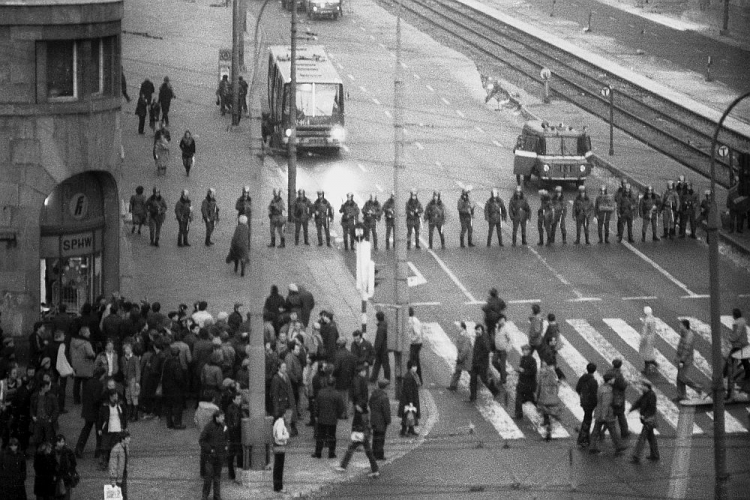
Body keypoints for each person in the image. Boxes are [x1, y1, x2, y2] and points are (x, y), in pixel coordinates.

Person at [589, 372, 628, 455]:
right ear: (609, 380)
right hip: (606, 414)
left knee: (596, 430)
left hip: (599, 412)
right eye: (613, 379)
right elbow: (605, 404)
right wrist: (604, 416)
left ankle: (592, 447)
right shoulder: (608, 391)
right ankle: (618, 446)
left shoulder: (601, 387)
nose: (614, 380)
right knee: (612, 430)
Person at [336, 410, 380, 478]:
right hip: (363, 434)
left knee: (351, 449)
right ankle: (375, 470)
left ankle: (343, 466)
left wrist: (355, 432)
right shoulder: (364, 412)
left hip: (360, 434)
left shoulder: (360, 413)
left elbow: (359, 424)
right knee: (368, 452)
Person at [312, 374, 344, 459]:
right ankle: (331, 453)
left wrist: (316, 415)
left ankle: (318, 453)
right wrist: (338, 415)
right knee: (332, 436)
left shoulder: (321, 393)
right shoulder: (337, 394)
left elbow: (316, 405)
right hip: (332, 419)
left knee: (320, 436)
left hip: (321, 418)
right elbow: (341, 407)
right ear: (334, 384)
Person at [199, 410, 227, 500]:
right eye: (222, 417)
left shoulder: (224, 426)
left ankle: (217, 496)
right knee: (208, 477)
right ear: (217, 417)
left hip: (220, 455)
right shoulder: (208, 427)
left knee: (217, 477)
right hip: (210, 456)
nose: (223, 418)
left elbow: (227, 438)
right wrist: (210, 449)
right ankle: (204, 496)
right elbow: (201, 441)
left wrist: (227, 446)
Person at [629, 382, 659, 464]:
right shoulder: (646, 394)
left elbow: (652, 408)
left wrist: (645, 416)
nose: (641, 387)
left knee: (642, 439)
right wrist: (631, 409)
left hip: (649, 420)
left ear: (647, 387)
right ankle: (655, 455)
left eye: (643, 386)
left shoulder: (651, 395)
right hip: (647, 419)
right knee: (651, 437)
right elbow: (639, 402)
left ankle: (636, 456)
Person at [675, 319, 705, 400]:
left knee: (681, 377)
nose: (679, 326)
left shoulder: (689, 336)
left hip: (685, 360)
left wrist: (682, 361)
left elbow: (686, 349)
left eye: (680, 325)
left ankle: (697, 387)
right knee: (679, 378)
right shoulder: (684, 333)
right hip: (681, 358)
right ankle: (681, 395)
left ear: (685, 326)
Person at [469, 324, 500, 402]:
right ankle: (473, 397)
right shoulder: (478, 337)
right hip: (475, 363)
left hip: (482, 364)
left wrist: (479, 357)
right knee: (473, 380)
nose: (477, 331)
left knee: (484, 380)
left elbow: (487, 350)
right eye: (476, 330)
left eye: (478, 329)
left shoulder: (483, 338)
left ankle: (495, 391)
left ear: (482, 330)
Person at [98, 390, 126, 470]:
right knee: (105, 446)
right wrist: (99, 428)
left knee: (115, 447)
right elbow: (100, 417)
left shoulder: (120, 404)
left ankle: (114, 462)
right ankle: (104, 462)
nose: (116, 397)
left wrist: (124, 426)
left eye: (116, 396)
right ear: (110, 397)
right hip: (108, 428)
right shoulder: (105, 405)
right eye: (114, 396)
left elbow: (124, 415)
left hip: (118, 428)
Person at [270, 362, 297, 437]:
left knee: (287, 419)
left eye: (285, 367)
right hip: (281, 402)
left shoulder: (286, 376)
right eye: (283, 367)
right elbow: (275, 394)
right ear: (279, 368)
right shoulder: (276, 378)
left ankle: (287, 433)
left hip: (286, 401)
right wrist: (276, 408)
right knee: (282, 420)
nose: (285, 369)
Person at [69, 326, 95, 406]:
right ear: (84, 333)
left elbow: (70, 353)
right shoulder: (86, 343)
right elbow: (90, 354)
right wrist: (94, 354)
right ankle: (85, 399)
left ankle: (76, 399)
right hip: (85, 366)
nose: (89, 333)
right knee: (85, 384)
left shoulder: (73, 342)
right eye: (88, 332)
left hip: (76, 365)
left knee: (76, 383)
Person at [537, 361, 562, 441]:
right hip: (551, 397)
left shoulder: (541, 374)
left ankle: (546, 424)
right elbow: (556, 386)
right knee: (550, 413)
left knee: (545, 412)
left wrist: (537, 396)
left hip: (543, 396)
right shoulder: (552, 375)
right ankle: (549, 431)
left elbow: (539, 386)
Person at [162, 345, 186, 429]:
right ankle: (177, 423)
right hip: (175, 389)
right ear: (178, 354)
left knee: (168, 406)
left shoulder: (166, 362)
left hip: (166, 387)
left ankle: (169, 423)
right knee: (178, 406)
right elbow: (179, 378)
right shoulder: (176, 364)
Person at [333, 338, 357, 420]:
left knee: (341, 397)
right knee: (346, 396)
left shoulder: (338, 354)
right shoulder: (350, 354)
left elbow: (336, 368)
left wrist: (333, 375)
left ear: (338, 345)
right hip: (349, 378)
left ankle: (342, 414)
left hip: (339, 378)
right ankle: (346, 413)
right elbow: (354, 368)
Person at [575, 362, 598, 447]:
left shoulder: (582, 378)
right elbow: (594, 394)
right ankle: (583, 439)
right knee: (587, 420)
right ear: (594, 370)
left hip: (584, 402)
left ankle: (585, 438)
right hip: (590, 403)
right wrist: (596, 403)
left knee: (587, 418)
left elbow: (577, 388)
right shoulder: (593, 381)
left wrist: (582, 396)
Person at [31, 378, 59, 447]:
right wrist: (33, 416)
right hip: (38, 420)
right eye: (47, 387)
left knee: (48, 438)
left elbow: (56, 409)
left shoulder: (51, 396)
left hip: (47, 420)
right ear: (42, 388)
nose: (49, 388)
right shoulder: (35, 396)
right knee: (37, 438)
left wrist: (51, 419)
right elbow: (31, 407)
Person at [369, 379, 391, 460]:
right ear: (385, 387)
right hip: (381, 421)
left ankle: (374, 454)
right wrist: (388, 420)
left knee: (375, 437)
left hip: (374, 419)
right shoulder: (384, 397)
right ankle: (379, 455)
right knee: (381, 439)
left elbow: (370, 404)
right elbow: (386, 411)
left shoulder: (374, 394)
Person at [398, 360, 421, 436]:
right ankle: (403, 431)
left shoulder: (412, 375)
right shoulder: (409, 377)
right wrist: (411, 401)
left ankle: (410, 429)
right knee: (407, 414)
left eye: (416, 366)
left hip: (410, 398)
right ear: (410, 367)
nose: (415, 368)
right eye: (414, 366)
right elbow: (409, 390)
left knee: (410, 414)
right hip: (408, 400)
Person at [448, 322, 472, 391]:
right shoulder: (461, 334)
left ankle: (477, 383)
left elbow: (465, 349)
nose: (457, 328)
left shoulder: (466, 336)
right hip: (461, 356)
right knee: (457, 371)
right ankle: (453, 386)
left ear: (462, 327)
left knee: (470, 371)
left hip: (466, 357)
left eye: (458, 327)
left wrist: (460, 358)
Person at [120, 342, 140, 422]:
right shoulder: (122, 358)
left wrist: (137, 381)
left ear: (131, 349)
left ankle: (135, 415)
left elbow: (138, 370)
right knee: (127, 396)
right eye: (125, 349)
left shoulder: (135, 358)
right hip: (126, 380)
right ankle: (129, 414)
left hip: (133, 379)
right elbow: (122, 368)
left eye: (128, 349)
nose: (126, 350)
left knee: (134, 396)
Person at [225, 393, 243, 483]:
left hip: (231, 434)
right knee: (239, 454)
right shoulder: (236, 409)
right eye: (238, 398)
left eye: (240, 398)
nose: (240, 400)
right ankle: (238, 476)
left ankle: (231, 474)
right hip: (236, 434)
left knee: (231, 455)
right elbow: (236, 423)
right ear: (233, 399)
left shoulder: (229, 407)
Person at [53, 434, 77, 500]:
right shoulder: (52, 452)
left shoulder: (68, 452)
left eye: (63, 441)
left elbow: (73, 464)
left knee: (65, 495)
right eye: (60, 442)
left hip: (65, 478)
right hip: (57, 479)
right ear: (56, 443)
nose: (62, 443)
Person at [109, 431, 130, 500]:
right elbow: (112, 465)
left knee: (124, 494)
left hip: (123, 474)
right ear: (122, 439)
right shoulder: (116, 449)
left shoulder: (126, 447)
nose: (129, 439)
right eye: (127, 438)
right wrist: (113, 479)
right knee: (117, 495)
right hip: (117, 477)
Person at [370, 311, 390, 383]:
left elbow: (379, 340)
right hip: (384, 348)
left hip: (381, 350)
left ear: (377, 318)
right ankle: (374, 377)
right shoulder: (385, 324)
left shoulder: (380, 328)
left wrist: (375, 350)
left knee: (382, 364)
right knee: (379, 364)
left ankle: (383, 378)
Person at [272, 411, 289, 494]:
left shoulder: (276, 422)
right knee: (279, 467)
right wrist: (286, 436)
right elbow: (279, 436)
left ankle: (276, 486)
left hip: (276, 445)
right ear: (283, 415)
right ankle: (279, 487)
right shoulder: (281, 423)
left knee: (277, 467)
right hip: (280, 445)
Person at [492, 315, 511, 385]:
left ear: (505, 320)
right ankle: (504, 373)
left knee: (502, 365)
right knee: (494, 361)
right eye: (500, 320)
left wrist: (507, 349)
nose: (501, 321)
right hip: (497, 349)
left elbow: (510, 340)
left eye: (503, 319)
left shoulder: (506, 328)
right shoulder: (497, 327)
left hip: (503, 350)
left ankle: (503, 380)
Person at [640, 306, 658, 374]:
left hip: (647, 338)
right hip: (652, 338)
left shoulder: (647, 320)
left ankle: (647, 369)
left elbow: (645, 331)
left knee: (645, 354)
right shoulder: (652, 318)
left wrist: (642, 339)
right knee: (649, 353)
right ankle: (653, 363)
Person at [408, 307, 423, 384]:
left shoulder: (413, 321)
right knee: (415, 361)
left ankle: (416, 380)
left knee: (413, 361)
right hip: (416, 343)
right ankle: (419, 380)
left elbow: (417, 333)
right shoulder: (413, 320)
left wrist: (410, 341)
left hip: (415, 344)